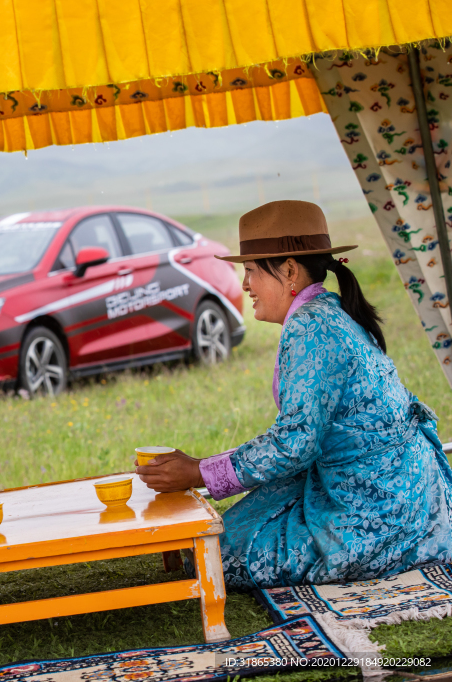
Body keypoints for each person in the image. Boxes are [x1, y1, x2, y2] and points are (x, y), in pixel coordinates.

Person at [136, 200, 452, 589]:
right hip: (402, 486)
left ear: (288, 270)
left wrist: (200, 471)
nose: (245, 284)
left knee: (213, 560)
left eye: (250, 270)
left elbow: (294, 444)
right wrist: (205, 469)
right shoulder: (330, 309)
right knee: (220, 538)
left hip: (377, 504)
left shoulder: (310, 327)